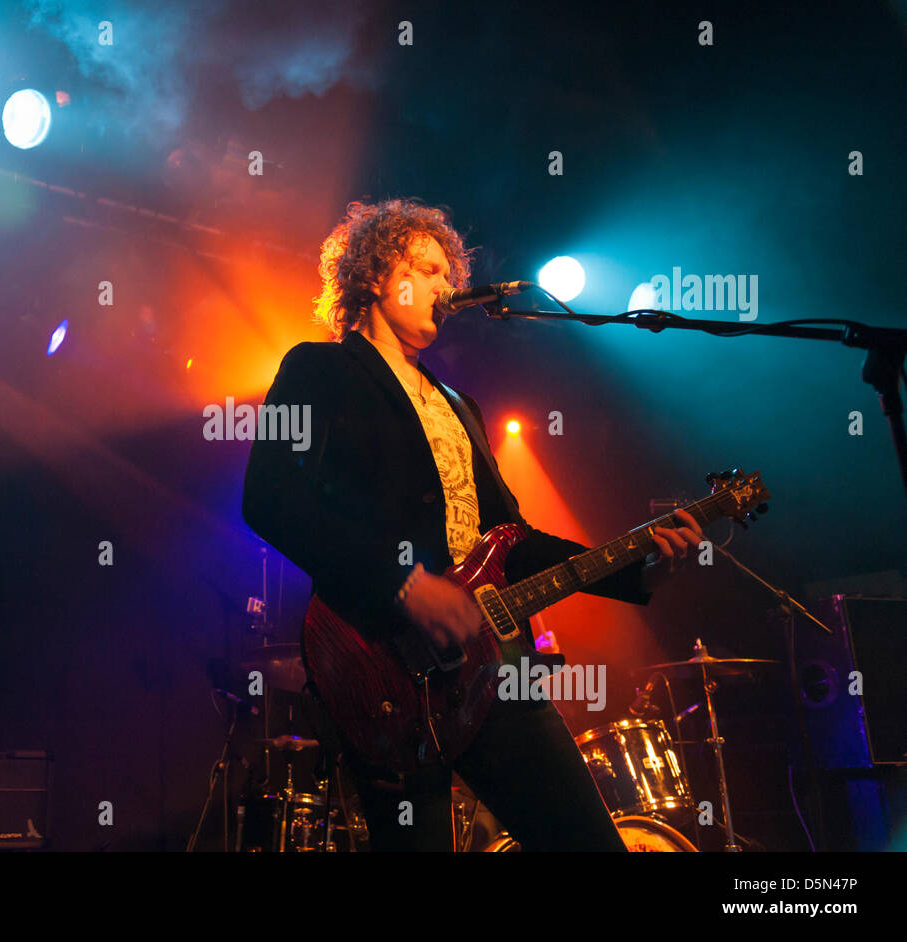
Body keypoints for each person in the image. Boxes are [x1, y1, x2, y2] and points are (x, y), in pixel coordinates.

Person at [240, 198, 704, 851]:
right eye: (426, 270)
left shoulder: (460, 405)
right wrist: (402, 583)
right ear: (375, 277)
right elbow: (270, 497)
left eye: (447, 275)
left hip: (490, 676)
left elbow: (512, 544)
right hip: (378, 670)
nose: (445, 288)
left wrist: (638, 566)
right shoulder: (321, 371)